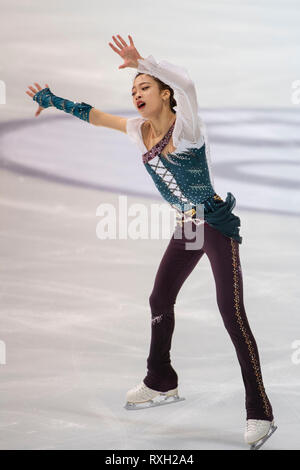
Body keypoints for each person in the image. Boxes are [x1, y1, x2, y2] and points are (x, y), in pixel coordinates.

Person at [25, 33, 277, 450]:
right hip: (188, 227)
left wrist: (145, 61)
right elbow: (96, 115)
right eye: (133, 89)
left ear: (165, 94)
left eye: (144, 87)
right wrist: (56, 100)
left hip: (214, 222)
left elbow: (190, 86)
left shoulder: (188, 128)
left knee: (231, 314)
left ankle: (260, 411)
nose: (136, 94)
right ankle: (160, 381)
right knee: (160, 298)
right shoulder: (137, 129)